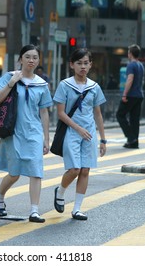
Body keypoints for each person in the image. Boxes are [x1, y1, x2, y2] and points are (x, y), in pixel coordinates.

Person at [0, 44, 52, 223]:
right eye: (27, 57)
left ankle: (34, 211)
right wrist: (12, 83)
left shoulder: (42, 84)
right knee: (14, 173)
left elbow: (44, 111)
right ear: (20, 59)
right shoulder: (10, 77)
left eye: (35, 57)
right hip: (12, 131)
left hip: (33, 132)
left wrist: (46, 138)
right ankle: (0, 196)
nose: (31, 60)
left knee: (36, 171)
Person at [52, 48, 106, 221]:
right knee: (75, 169)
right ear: (72, 65)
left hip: (89, 134)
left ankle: (77, 209)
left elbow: (97, 113)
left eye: (85, 63)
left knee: (85, 171)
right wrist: (78, 128)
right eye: (79, 63)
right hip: (72, 132)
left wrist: (103, 139)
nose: (82, 66)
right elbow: (60, 113)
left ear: (90, 65)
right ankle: (60, 191)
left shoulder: (94, 87)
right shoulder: (65, 85)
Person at [116, 44, 144, 149]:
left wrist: (124, 94)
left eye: (128, 52)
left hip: (131, 95)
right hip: (139, 95)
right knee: (134, 119)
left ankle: (131, 137)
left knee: (120, 115)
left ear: (130, 54)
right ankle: (134, 142)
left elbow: (130, 79)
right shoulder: (140, 65)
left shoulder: (131, 65)